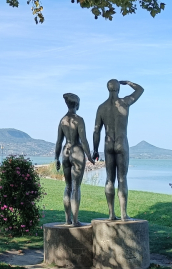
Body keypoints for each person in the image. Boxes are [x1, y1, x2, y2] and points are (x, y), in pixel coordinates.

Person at [93, 79, 144, 221]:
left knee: (109, 179)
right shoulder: (125, 102)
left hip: (108, 144)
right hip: (121, 143)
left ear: (107, 89)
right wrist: (128, 83)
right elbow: (140, 90)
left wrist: (95, 149)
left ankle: (111, 214)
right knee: (122, 179)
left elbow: (96, 131)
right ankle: (123, 214)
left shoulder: (101, 107)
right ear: (118, 89)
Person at [54, 93, 94, 226]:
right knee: (76, 187)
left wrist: (56, 158)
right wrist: (89, 156)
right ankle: (75, 221)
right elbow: (84, 140)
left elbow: (59, 142)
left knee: (68, 186)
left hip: (65, 152)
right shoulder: (79, 120)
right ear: (77, 104)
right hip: (77, 151)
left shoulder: (63, 120)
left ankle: (67, 220)